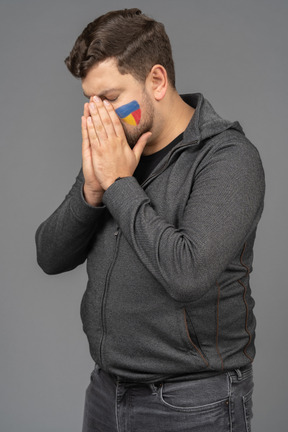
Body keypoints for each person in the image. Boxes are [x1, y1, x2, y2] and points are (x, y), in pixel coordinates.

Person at [35, 8, 265, 432]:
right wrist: (92, 191)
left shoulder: (229, 158)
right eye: (90, 101)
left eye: (109, 99)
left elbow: (188, 274)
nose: (96, 117)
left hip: (194, 403)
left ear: (156, 81)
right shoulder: (116, 152)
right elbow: (49, 256)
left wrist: (119, 183)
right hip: (107, 392)